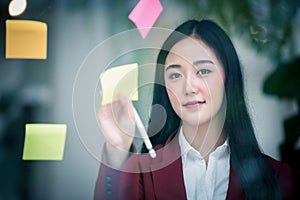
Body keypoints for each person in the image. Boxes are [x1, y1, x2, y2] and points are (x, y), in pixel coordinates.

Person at [94, 19, 294, 200]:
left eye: (203, 71)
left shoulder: (275, 176)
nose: (189, 87)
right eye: (175, 75)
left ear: (228, 78)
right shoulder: (141, 172)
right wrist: (117, 148)